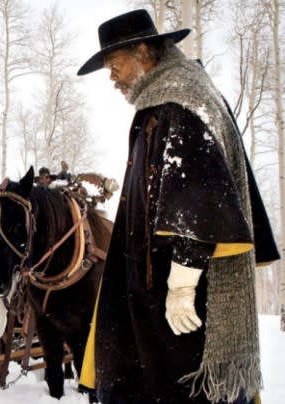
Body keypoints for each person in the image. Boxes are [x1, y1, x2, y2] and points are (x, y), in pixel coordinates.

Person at [76, 9, 279, 404]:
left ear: (143, 51)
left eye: (114, 65)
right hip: (152, 290)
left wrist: (183, 283)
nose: (112, 78)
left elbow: (198, 195)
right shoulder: (170, 100)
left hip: (172, 301)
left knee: (179, 389)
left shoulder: (177, 106)